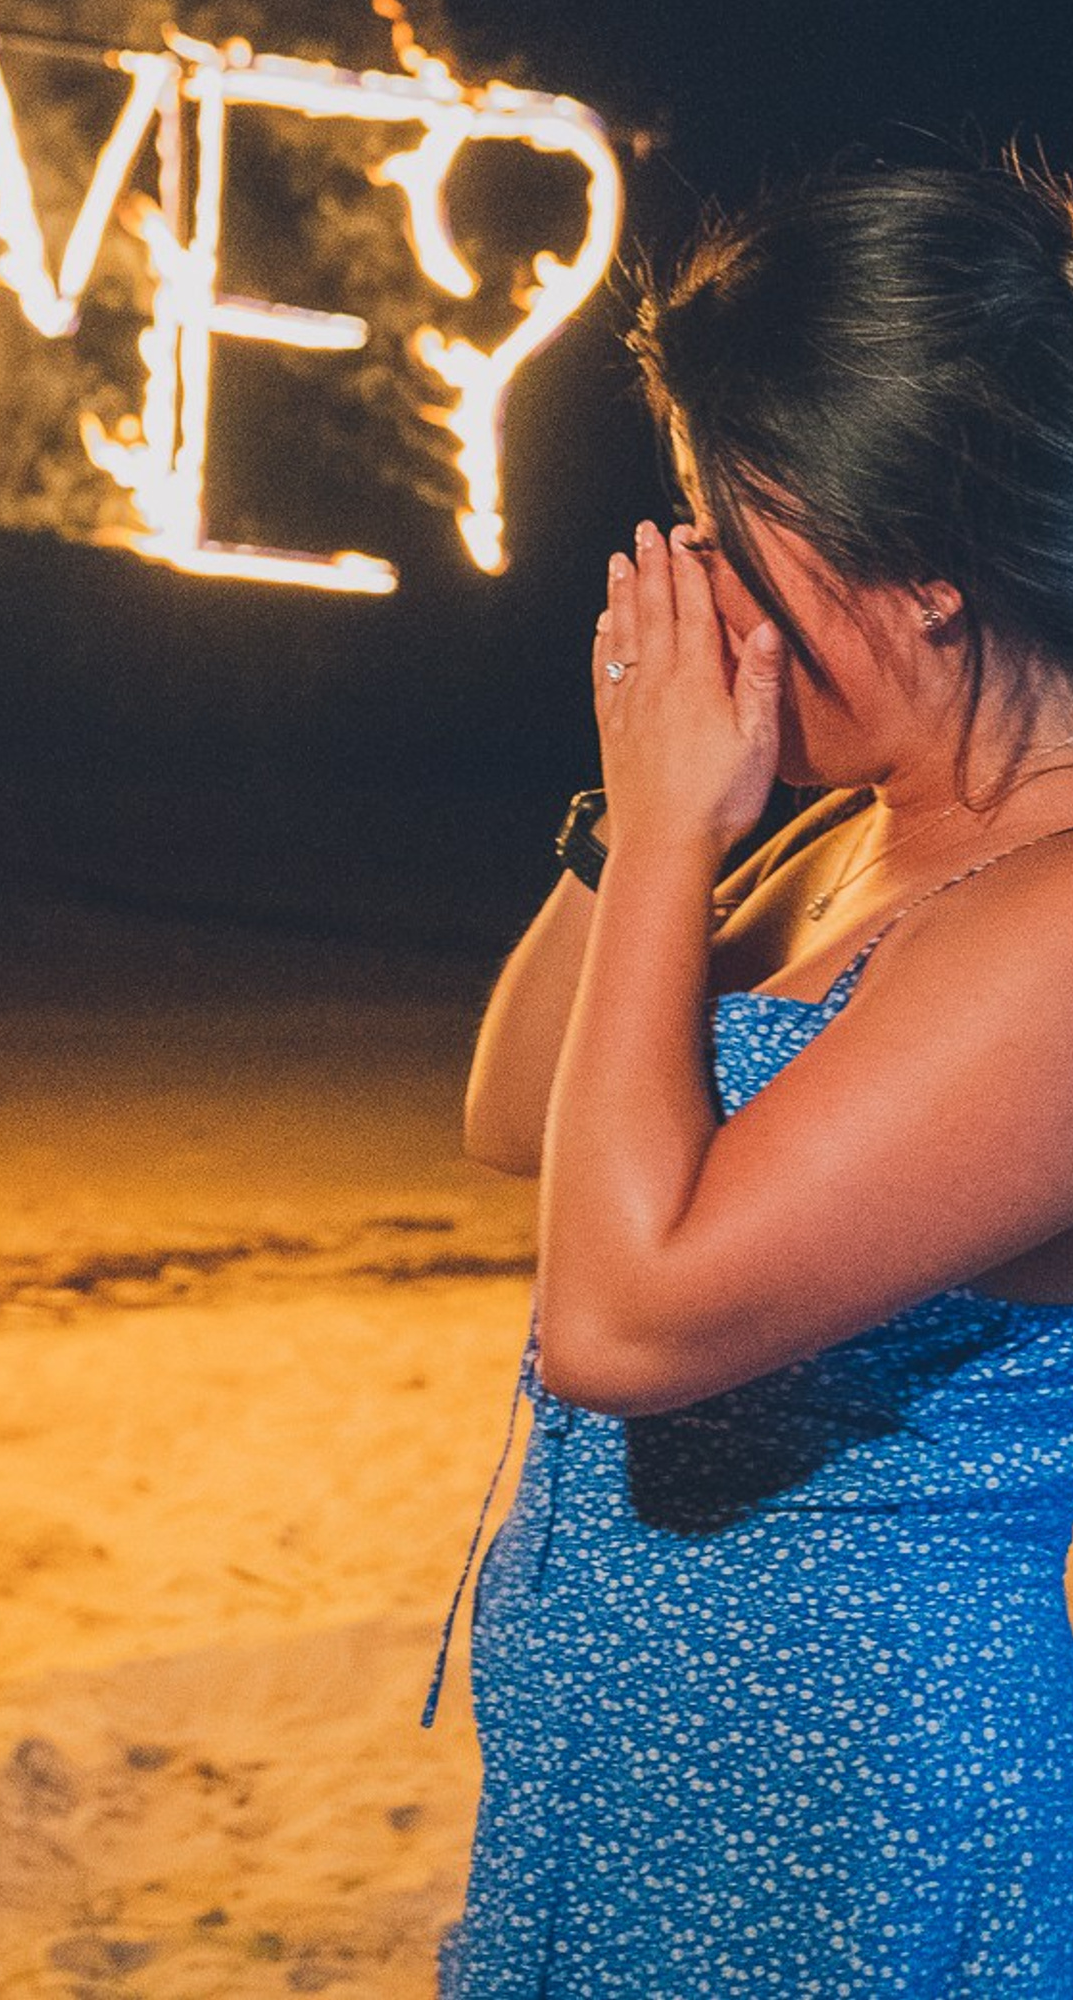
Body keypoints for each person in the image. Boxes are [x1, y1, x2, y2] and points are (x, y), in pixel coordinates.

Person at [438, 164, 1073, 1992]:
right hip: (640, 1799)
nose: (697, 571)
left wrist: (663, 849)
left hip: (855, 1830)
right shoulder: (854, 840)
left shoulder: (1048, 926)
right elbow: (519, 1112)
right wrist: (625, 813)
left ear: (926, 561)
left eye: (736, 524)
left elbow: (625, 1321)